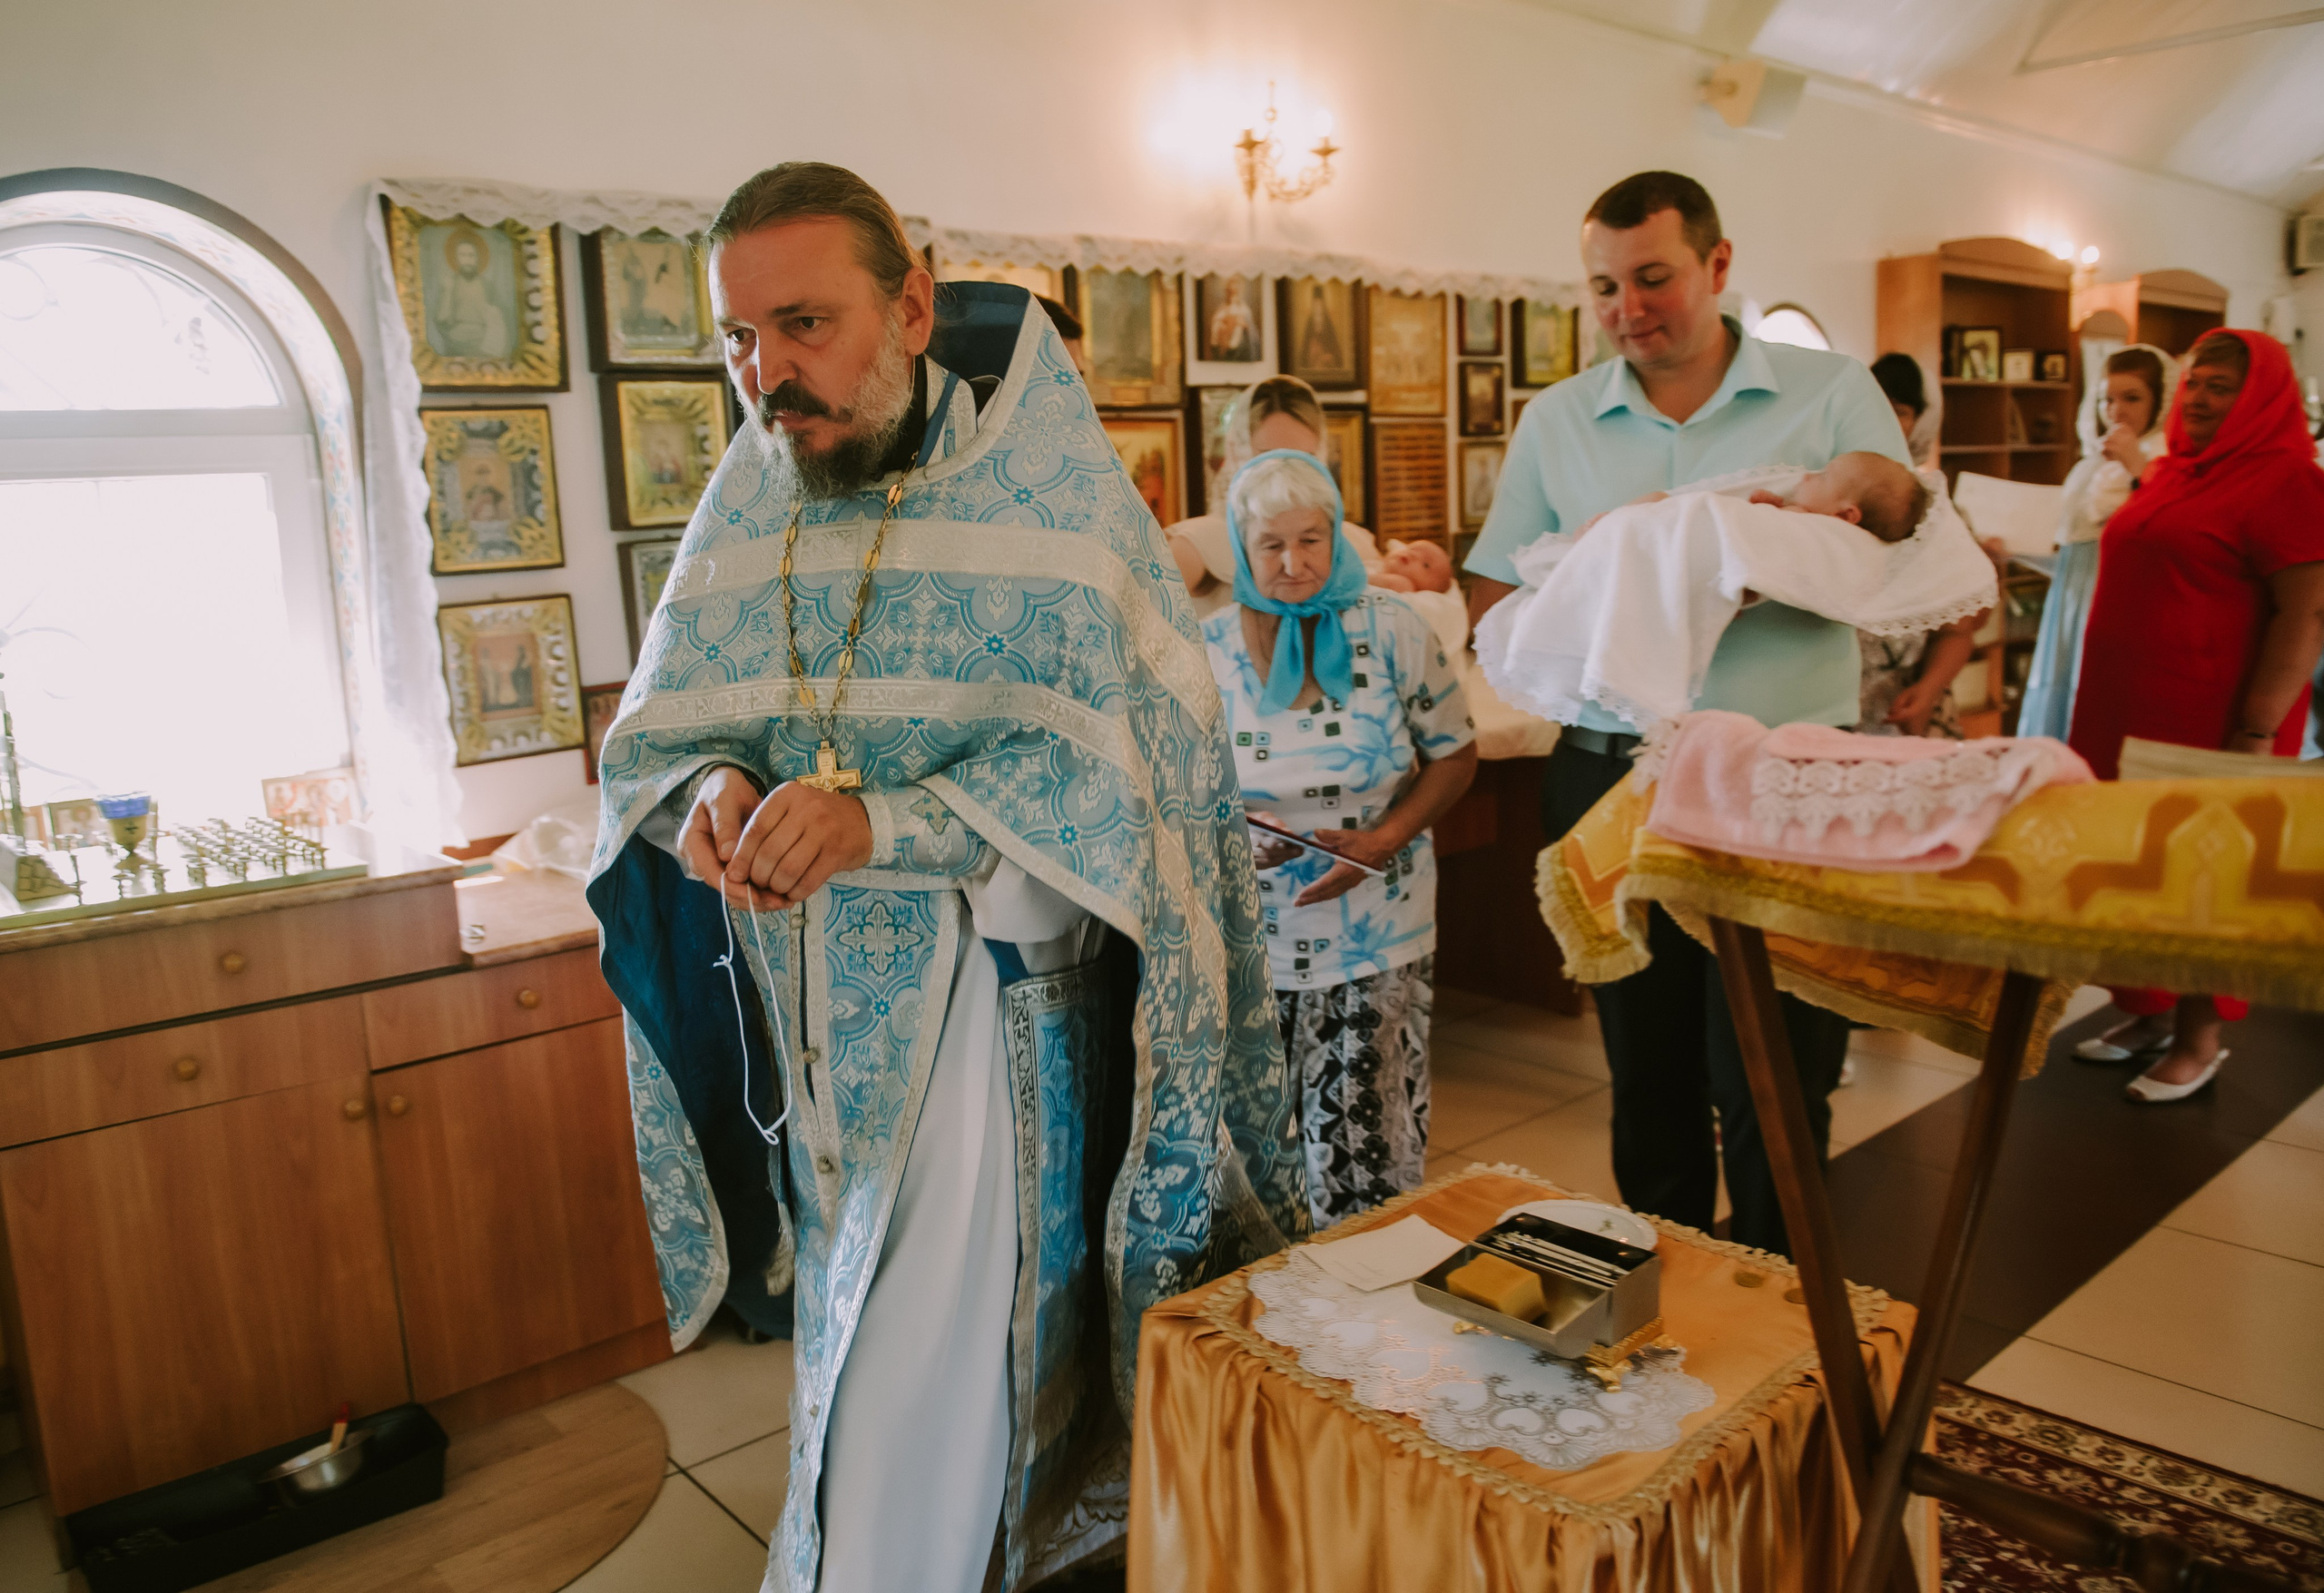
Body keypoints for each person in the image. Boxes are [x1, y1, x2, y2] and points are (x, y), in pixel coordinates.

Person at [585, 162, 1305, 1593]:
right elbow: (661, 738)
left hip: (989, 1036)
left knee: (924, 1391)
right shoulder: (750, 500)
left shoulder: (1057, 507)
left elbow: (1130, 799)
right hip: (819, 1040)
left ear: (911, 306)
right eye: (737, 338)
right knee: (853, 1363)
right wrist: (708, 794)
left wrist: (884, 827)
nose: (767, 375)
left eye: (804, 323)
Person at [1464, 171, 1912, 1257]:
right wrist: (1613, 577)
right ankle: (1672, 1309)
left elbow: (1895, 550)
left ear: (1717, 266)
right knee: (1646, 1069)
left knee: (1771, 1071)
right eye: (1604, 287)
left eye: (1652, 278)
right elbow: (1493, 595)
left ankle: (1785, 1322)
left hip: (1781, 777)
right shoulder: (1559, 420)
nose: (1627, 309)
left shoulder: (1829, 393)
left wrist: (1761, 567)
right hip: (1614, 774)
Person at [1204, 449, 1477, 1225]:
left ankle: (1368, 1330)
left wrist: (1385, 837)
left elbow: (1457, 754)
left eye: (1312, 540)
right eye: (1270, 545)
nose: (1294, 564)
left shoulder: (1394, 629)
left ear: (1338, 537)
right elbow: (1182, 783)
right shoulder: (1209, 646)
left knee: (1361, 1145)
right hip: (1253, 937)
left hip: (1377, 929)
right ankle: (1273, 1327)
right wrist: (1230, 834)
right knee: (1260, 1151)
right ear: (1242, 548)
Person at [2067, 329, 2324, 1103]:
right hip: (2133, 709)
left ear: (2263, 398)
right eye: (2197, 383)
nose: (2203, 398)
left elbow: (2306, 611)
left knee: (2210, 876)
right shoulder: (2175, 469)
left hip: (2216, 718)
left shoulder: (2287, 480)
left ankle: (2200, 1036)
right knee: (2139, 867)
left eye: (2224, 387)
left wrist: (2255, 727)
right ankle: (2146, 1012)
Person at [2017, 345, 2175, 741]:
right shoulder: (2086, 468)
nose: (2116, 411)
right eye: (2108, 398)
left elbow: (2170, 534)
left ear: (2161, 402)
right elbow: (2071, 557)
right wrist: (2012, 547)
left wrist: (2137, 465)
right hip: (2071, 602)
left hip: (2126, 601)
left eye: (2132, 398)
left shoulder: (2169, 463)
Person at [1167, 375, 1381, 617]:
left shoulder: (1356, 541)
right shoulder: (1196, 545)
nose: (1286, 473)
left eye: (1304, 458)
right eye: (1269, 457)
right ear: (1238, 452)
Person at [1860, 353, 1985, 738]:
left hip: (1909, 703)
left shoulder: (1938, 512)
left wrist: (1929, 688)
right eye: (1875, 405)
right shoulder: (1827, 494)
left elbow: (1957, 631)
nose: (1886, 421)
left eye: (1899, 410)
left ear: (1918, 421)